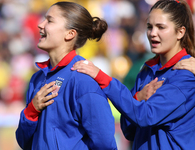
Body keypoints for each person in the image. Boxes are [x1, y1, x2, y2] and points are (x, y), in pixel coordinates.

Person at [71, 0, 195, 149]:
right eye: (149, 27)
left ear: (180, 32)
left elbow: (145, 116)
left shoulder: (186, 74)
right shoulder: (147, 70)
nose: (152, 33)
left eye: (161, 27)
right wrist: (137, 98)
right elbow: (128, 129)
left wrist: (102, 78)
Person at [15, 2, 117, 150]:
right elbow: (24, 142)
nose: (40, 25)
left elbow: (105, 144)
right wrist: (31, 111)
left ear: (70, 34)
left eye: (49, 20)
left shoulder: (84, 79)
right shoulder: (36, 79)